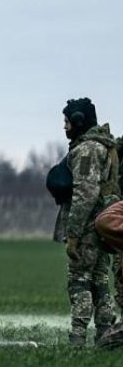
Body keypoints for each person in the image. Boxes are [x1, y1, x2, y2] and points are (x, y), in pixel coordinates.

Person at [59, 97, 120, 346]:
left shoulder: (87, 150)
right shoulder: (105, 146)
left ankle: (77, 337)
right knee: (100, 279)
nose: (64, 127)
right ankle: (105, 334)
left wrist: (73, 234)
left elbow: (85, 193)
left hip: (88, 227)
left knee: (79, 278)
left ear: (78, 121)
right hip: (104, 225)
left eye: (67, 121)